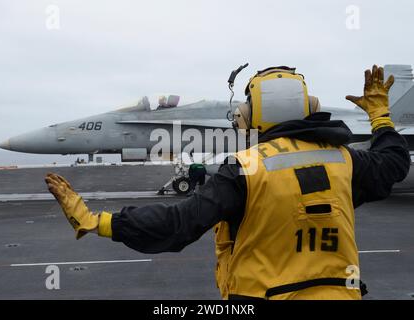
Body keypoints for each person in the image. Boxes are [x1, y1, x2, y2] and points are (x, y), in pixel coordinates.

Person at [45, 65, 410, 300]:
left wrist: (99, 222)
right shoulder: (345, 161)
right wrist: (380, 118)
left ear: (254, 114)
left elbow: (178, 226)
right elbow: (395, 164)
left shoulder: (244, 169)